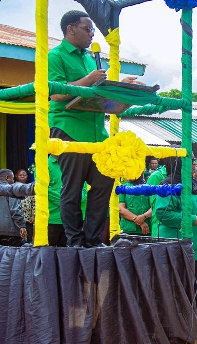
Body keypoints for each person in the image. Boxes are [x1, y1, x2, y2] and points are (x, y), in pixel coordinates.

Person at [48, 10, 142, 248]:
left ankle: (92, 240)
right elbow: (57, 92)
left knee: (103, 184)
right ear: (71, 29)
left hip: (97, 132)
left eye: (92, 30)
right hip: (69, 128)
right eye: (87, 29)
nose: (92, 34)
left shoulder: (90, 58)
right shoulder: (55, 56)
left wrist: (122, 87)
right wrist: (89, 80)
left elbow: (99, 91)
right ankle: (75, 241)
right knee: (73, 188)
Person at [153, 159, 197, 340]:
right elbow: (163, 213)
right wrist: (193, 219)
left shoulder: (194, 183)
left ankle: (192, 327)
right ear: (177, 164)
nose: (195, 165)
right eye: (190, 161)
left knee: (195, 289)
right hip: (180, 247)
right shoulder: (168, 185)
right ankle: (177, 331)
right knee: (181, 289)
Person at [0, 169, 26, 247]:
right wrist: (22, 226)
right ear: (7, 177)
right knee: (11, 257)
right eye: (12, 178)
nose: (13, 181)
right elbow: (15, 210)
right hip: (9, 231)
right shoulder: (11, 189)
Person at [16, 168, 35, 243]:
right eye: (20, 175)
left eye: (24, 175)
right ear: (16, 176)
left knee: (29, 240)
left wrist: (33, 215)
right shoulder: (13, 188)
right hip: (17, 220)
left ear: (27, 176)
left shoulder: (30, 187)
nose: (22, 176)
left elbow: (34, 202)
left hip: (28, 220)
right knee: (19, 241)